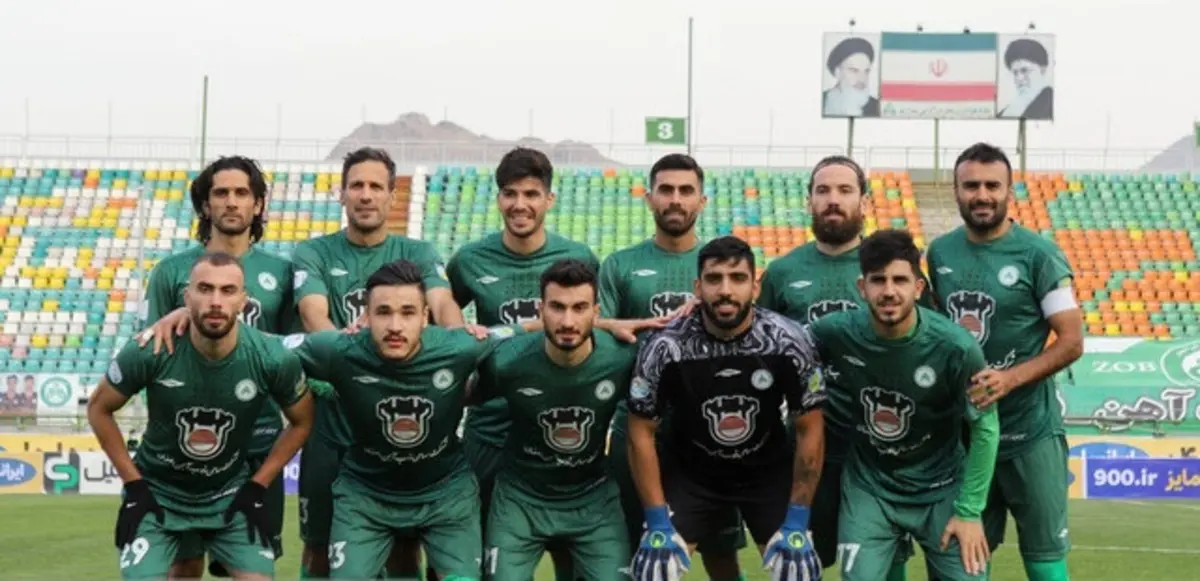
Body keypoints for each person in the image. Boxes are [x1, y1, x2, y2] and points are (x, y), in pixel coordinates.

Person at [293, 146, 474, 579]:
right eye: (356, 185)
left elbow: (442, 304)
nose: (366, 194)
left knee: (403, 548)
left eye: (376, 186)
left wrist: (459, 347)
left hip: (393, 421)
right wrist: (351, 367)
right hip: (333, 425)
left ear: (393, 195)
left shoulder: (418, 251)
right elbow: (314, 316)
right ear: (341, 193)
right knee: (318, 551)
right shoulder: (314, 252)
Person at [283, 259, 522, 580]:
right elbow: (263, 346)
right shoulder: (340, 349)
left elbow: (527, 330)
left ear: (425, 317)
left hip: (446, 494)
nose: (395, 326)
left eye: (408, 313)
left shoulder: (459, 345)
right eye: (383, 312)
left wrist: (593, 326)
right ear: (366, 317)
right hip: (365, 496)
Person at [86, 252, 315, 581]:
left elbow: (302, 421)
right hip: (158, 493)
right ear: (187, 296)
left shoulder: (271, 357)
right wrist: (134, 486)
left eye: (228, 291)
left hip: (229, 494)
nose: (216, 301)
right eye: (205, 289)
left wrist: (257, 486)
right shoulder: (150, 350)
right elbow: (98, 408)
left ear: (244, 301)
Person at [758, 155, 935, 578]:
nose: (833, 200)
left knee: (886, 560)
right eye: (823, 191)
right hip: (809, 444)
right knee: (804, 559)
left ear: (865, 202)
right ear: (809, 201)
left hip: (881, 447)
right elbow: (761, 353)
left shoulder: (893, 271)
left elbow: (927, 346)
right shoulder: (782, 273)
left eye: (844, 190)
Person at [626, 236, 826, 581]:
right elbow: (640, 432)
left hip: (766, 473)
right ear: (698, 287)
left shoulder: (787, 341)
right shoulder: (666, 347)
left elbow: (810, 428)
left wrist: (797, 520)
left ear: (755, 287)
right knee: (654, 571)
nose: (725, 290)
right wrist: (657, 522)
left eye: (737, 278)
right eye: (714, 279)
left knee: (798, 572)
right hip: (692, 475)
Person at [926, 143, 1083, 581]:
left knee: (1045, 563)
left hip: (1030, 433)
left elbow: (1072, 341)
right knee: (964, 564)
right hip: (968, 438)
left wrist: (1010, 379)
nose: (982, 195)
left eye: (992, 186)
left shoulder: (1039, 255)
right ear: (956, 191)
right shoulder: (939, 253)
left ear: (1010, 192)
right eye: (971, 185)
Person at [809, 229, 998, 580]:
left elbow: (986, 427)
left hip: (942, 487)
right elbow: (782, 349)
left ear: (918, 287)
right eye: (878, 280)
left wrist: (970, 512)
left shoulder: (956, 347)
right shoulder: (833, 332)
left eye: (900, 280)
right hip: (870, 487)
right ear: (862, 287)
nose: (889, 291)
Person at [446, 147, 600, 580]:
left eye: (531, 194)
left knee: (573, 558)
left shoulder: (580, 258)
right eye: (510, 193)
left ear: (549, 199)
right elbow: (440, 324)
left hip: (556, 428)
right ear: (498, 198)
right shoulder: (469, 260)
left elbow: (596, 331)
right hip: (489, 429)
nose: (520, 204)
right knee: (480, 559)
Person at [140, 155, 295, 579]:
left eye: (242, 193)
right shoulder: (171, 272)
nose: (231, 201)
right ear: (205, 204)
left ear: (258, 204)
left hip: (258, 444)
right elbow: (148, 351)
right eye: (220, 192)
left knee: (247, 569)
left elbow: (294, 354)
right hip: (184, 451)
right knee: (184, 565)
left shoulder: (283, 274)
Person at [599, 153, 751, 580]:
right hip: (637, 430)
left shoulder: (723, 268)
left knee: (721, 557)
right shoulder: (619, 265)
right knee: (636, 555)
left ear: (702, 200)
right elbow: (595, 336)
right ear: (649, 198)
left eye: (686, 191)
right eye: (665, 190)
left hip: (707, 436)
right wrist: (617, 325)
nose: (676, 199)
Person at [473, 259, 636, 580]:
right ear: (541, 310)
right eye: (557, 307)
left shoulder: (623, 358)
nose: (568, 321)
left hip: (593, 497)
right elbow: (457, 394)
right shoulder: (506, 361)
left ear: (596, 312)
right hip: (520, 498)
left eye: (579, 308)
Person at [822, 37, 881, 118]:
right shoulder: (821, 101)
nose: (862, 79)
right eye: (854, 71)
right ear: (837, 72)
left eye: (866, 71)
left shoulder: (876, 107)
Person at [997, 39, 1054, 120]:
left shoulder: (1054, 102)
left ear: (1042, 70)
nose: (1019, 78)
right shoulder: (1008, 110)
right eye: (1015, 73)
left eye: (1024, 71)